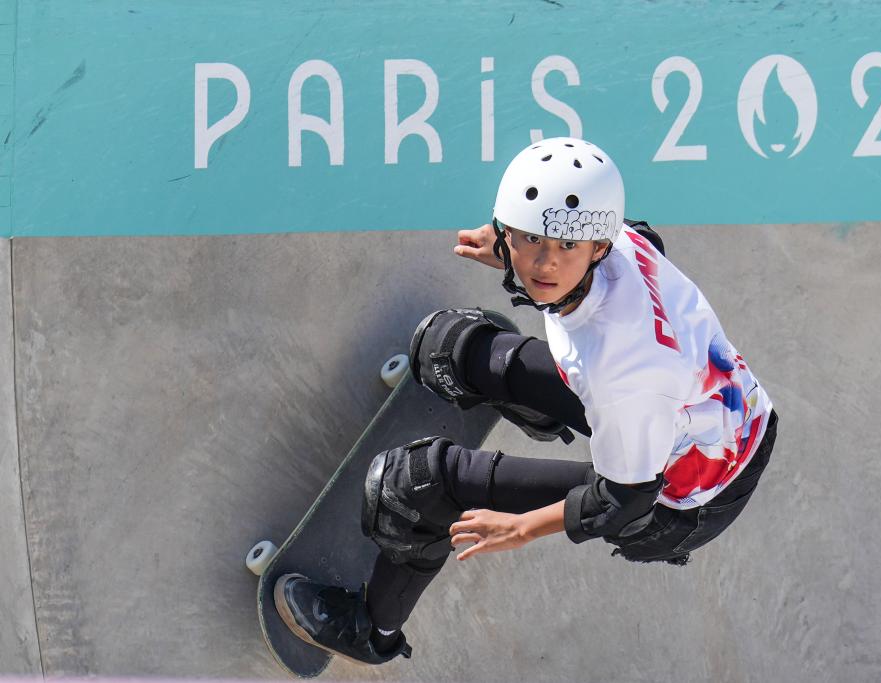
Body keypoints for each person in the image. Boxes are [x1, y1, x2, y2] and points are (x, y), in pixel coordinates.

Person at [274, 137, 778, 665]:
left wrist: (520, 528)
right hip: (715, 418)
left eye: (566, 247)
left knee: (413, 486)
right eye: (531, 238)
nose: (545, 264)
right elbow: (608, 243)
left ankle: (371, 632)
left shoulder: (620, 370)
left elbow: (623, 499)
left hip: (682, 500)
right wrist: (508, 251)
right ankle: (535, 407)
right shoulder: (618, 240)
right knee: (448, 347)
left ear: (598, 248)